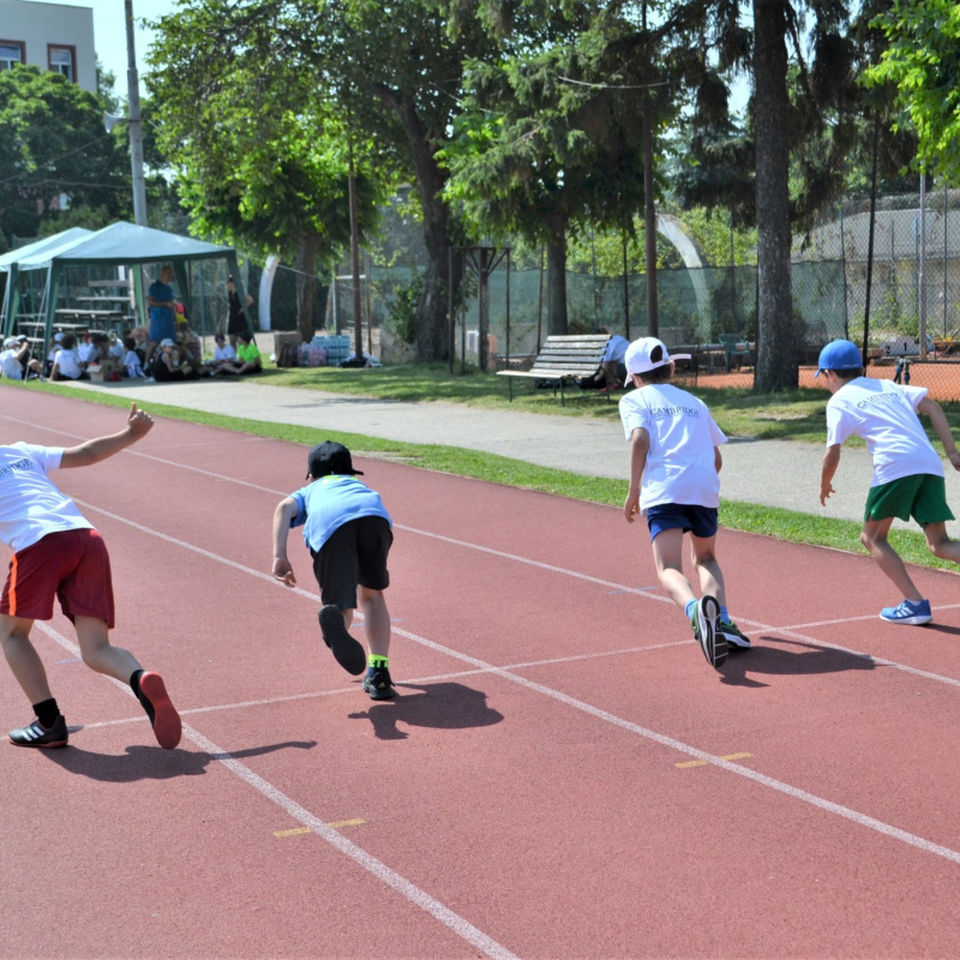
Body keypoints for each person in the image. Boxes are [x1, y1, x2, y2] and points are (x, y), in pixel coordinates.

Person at [0, 402, 181, 749]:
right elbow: (85, 453)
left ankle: (48, 721)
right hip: (86, 536)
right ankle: (140, 678)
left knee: (11, 634)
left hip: (39, 543)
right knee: (96, 648)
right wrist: (131, 434)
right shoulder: (19, 452)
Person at [619, 336, 750, 669]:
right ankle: (720, 619)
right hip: (704, 486)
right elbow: (716, 456)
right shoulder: (695, 402)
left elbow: (641, 438)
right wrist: (703, 481)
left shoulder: (634, 400)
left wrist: (634, 490)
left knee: (669, 568)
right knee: (706, 558)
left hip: (666, 489)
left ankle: (696, 612)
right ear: (671, 367)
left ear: (635, 378)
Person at [817, 338, 960, 624]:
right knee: (940, 544)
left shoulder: (838, 401)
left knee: (872, 537)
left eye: (824, 377)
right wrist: (953, 453)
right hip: (929, 463)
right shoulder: (887, 385)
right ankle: (914, 603)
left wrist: (824, 483)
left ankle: (915, 604)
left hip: (895, 465)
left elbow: (832, 452)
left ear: (830, 374)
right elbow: (932, 407)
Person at [271, 441, 396, 700]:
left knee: (341, 606)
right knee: (373, 597)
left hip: (332, 525)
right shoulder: (357, 485)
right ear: (350, 471)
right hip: (374, 516)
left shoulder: (311, 489)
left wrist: (280, 556)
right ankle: (379, 672)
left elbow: (284, 508)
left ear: (312, 474)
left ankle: (338, 627)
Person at [146, 265, 177, 367]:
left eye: (170, 273)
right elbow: (150, 301)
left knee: (171, 343)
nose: (169, 275)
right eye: (167, 272)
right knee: (155, 343)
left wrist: (175, 316)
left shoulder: (169, 289)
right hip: (158, 319)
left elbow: (172, 304)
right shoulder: (155, 287)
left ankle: (172, 365)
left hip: (168, 320)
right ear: (162, 274)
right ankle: (146, 365)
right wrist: (164, 304)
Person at [226, 275, 254, 350]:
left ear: (232, 283)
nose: (227, 284)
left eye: (228, 282)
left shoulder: (240, 292)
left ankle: (242, 357)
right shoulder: (230, 293)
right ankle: (233, 358)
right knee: (232, 339)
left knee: (240, 341)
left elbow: (250, 300)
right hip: (232, 318)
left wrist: (243, 308)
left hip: (240, 319)